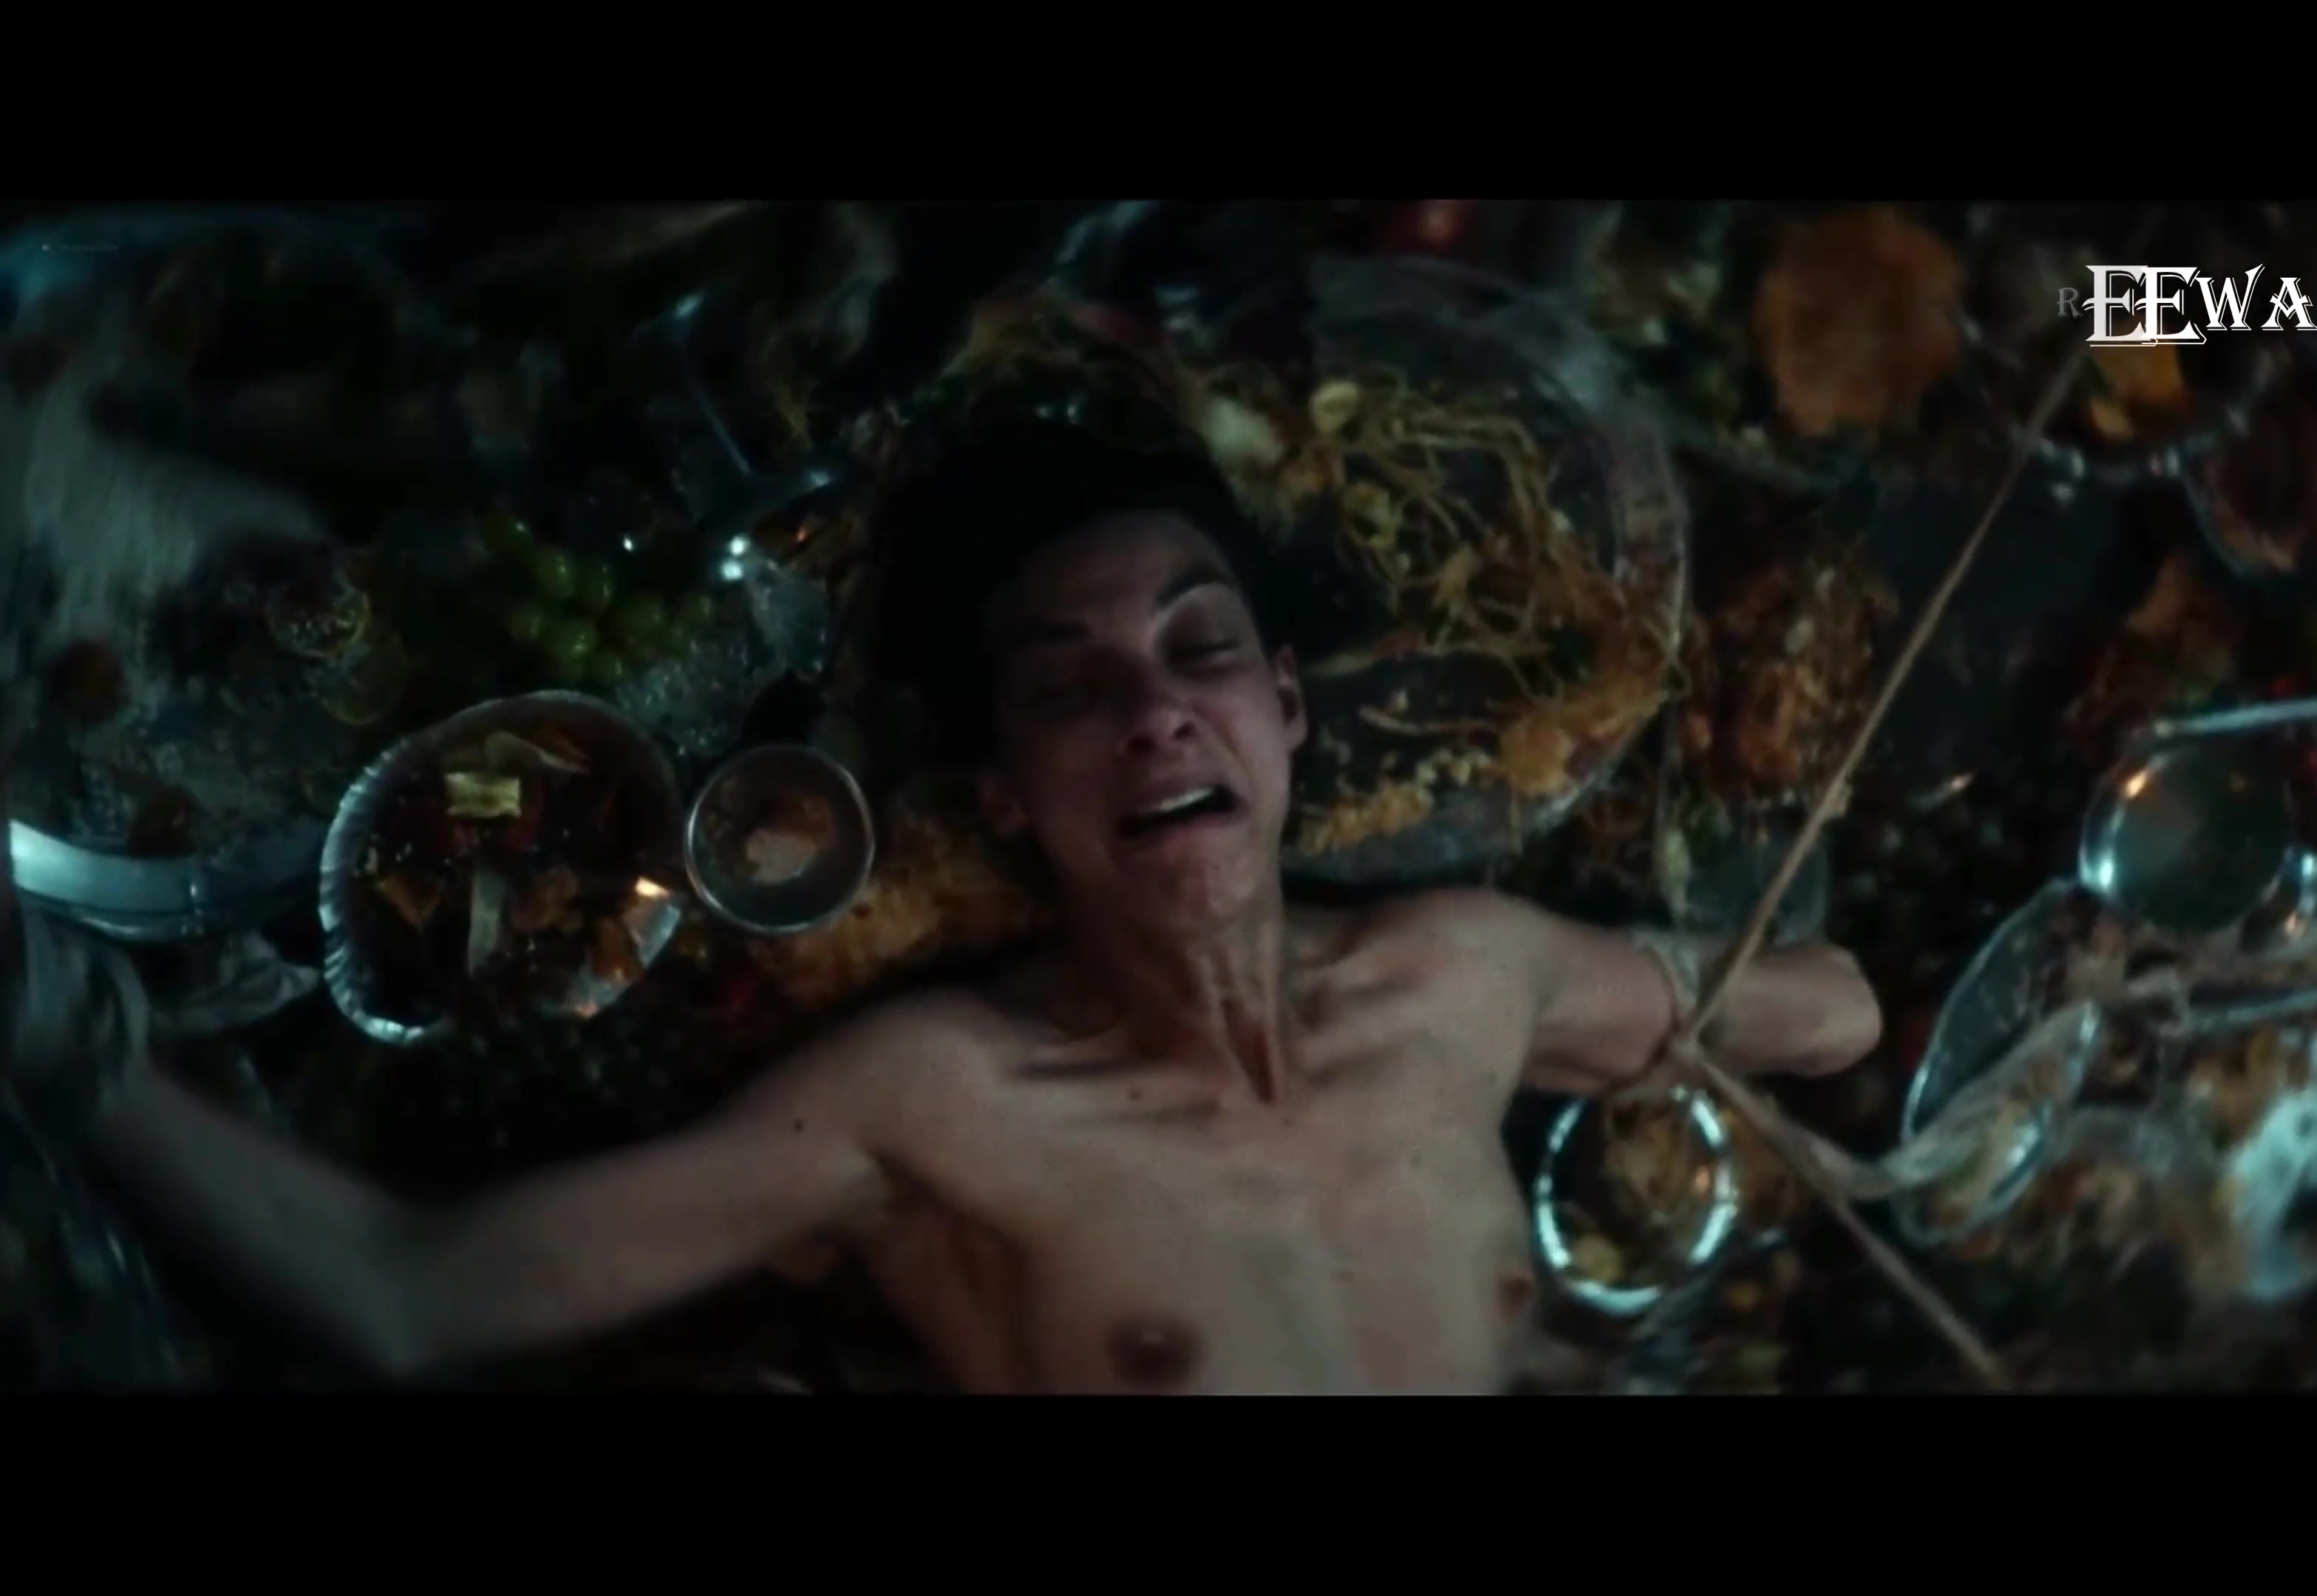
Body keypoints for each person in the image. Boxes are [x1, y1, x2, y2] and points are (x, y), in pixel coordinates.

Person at [1, 420, 1882, 1394]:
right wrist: (63, 1035)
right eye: (1072, 687)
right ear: (1007, 796)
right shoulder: (944, 1109)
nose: (1154, 711)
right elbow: (416, 1296)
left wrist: (1773, 1035)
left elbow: (1831, 1012)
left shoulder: (1464, 978)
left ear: (1285, 716)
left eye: (1201, 652)